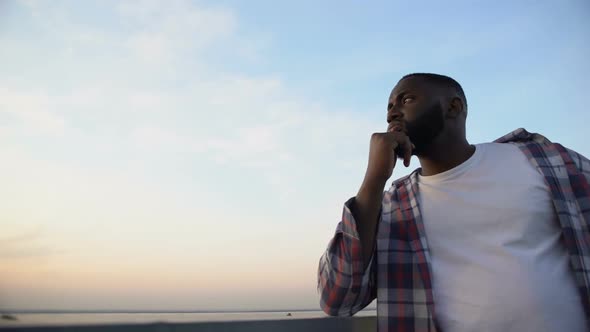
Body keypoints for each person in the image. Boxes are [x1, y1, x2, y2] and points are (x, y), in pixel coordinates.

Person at [317, 73, 590, 332]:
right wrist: (374, 179)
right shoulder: (392, 208)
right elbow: (336, 298)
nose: (392, 112)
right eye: (389, 106)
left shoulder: (544, 160)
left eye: (406, 99)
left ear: (453, 107)